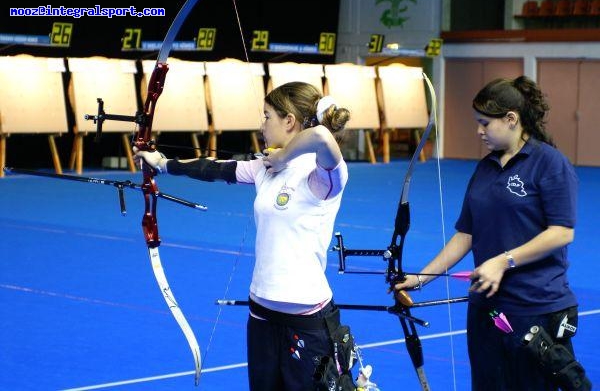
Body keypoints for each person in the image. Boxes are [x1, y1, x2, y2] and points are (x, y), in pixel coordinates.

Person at [134, 81, 356, 391]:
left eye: (267, 116)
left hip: (306, 318)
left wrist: (282, 158)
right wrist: (162, 164)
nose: (261, 125)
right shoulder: (263, 168)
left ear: (289, 121)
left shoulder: (323, 177)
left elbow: (320, 136)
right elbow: (213, 169)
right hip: (261, 312)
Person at [394, 76, 591, 390]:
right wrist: (421, 278)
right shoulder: (485, 167)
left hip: (535, 309)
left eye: (485, 123)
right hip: (486, 309)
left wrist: (503, 261)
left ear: (511, 119)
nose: (479, 131)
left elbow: (561, 232)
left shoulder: (550, 164)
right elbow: (466, 234)